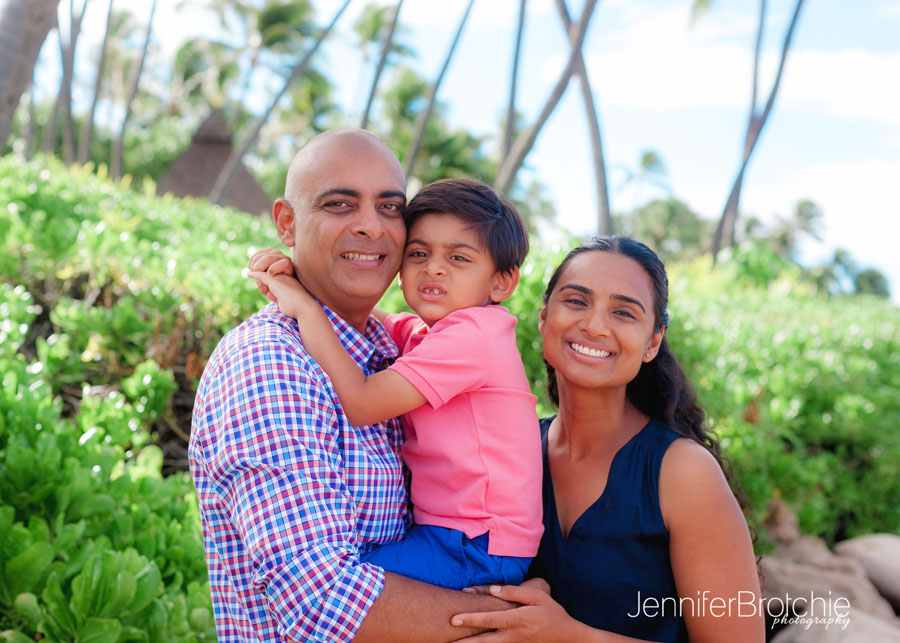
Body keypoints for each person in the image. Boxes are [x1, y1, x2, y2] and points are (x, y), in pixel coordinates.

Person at [189, 129, 514, 643]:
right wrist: (516, 625)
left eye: (390, 208)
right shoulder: (272, 363)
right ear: (287, 223)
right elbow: (319, 601)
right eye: (340, 204)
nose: (371, 227)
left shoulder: (392, 346)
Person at [451, 236, 765, 642]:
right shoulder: (507, 449)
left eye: (623, 312)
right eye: (577, 301)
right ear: (544, 318)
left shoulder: (682, 473)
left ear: (652, 341)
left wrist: (566, 636)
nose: (594, 325)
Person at [249, 178, 543, 591]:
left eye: (459, 258)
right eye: (418, 253)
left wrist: (302, 307)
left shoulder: (474, 335)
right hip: (455, 536)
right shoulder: (435, 332)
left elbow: (363, 402)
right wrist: (305, 273)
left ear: (502, 283)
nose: (433, 268)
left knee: (336, 588)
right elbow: (379, 320)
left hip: (476, 546)